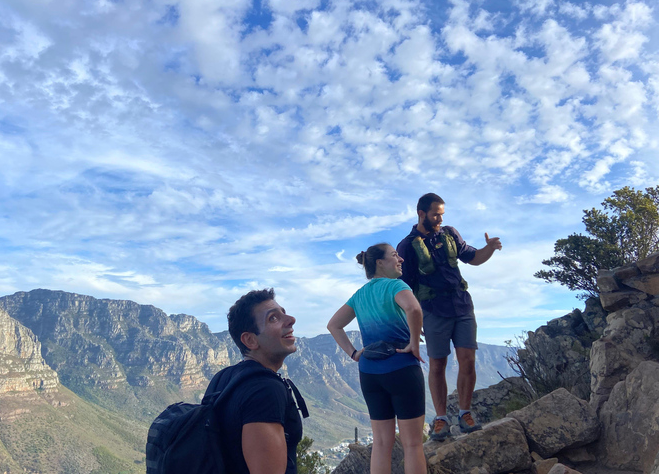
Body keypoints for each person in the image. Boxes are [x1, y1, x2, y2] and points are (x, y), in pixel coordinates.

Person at [396, 193, 502, 441]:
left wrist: (489, 249)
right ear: (421, 213)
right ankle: (441, 419)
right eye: (436, 214)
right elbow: (404, 288)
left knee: (467, 360)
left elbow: (473, 258)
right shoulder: (407, 246)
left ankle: (465, 413)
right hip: (433, 310)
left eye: (442, 214)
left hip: (462, 305)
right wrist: (414, 320)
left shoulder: (450, 234)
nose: (440, 219)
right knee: (437, 364)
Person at [327, 243, 427, 474]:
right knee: (412, 444)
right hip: (401, 366)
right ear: (380, 263)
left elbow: (334, 325)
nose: (400, 259)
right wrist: (413, 342)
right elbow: (414, 309)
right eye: (395, 256)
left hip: (369, 372)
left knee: (382, 444)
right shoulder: (395, 285)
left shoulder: (360, 295)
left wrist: (354, 353)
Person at [208, 288, 306, 474]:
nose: (291, 319)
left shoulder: (222, 378)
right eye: (273, 318)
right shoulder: (265, 389)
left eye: (283, 312)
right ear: (250, 340)